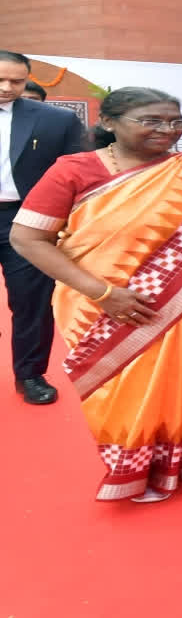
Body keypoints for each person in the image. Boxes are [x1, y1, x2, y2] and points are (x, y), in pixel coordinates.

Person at [9, 87, 182, 502]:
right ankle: (135, 466)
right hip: (104, 305)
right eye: (151, 121)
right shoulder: (74, 170)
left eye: (174, 122)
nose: (166, 131)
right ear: (109, 123)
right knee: (127, 388)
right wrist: (102, 293)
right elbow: (28, 238)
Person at [0, 50, 86, 405]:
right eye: (0, 80)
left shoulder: (55, 121)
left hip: (27, 221)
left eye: (16, 81)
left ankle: (31, 374)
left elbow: (79, 172)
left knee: (32, 301)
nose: (7, 87)